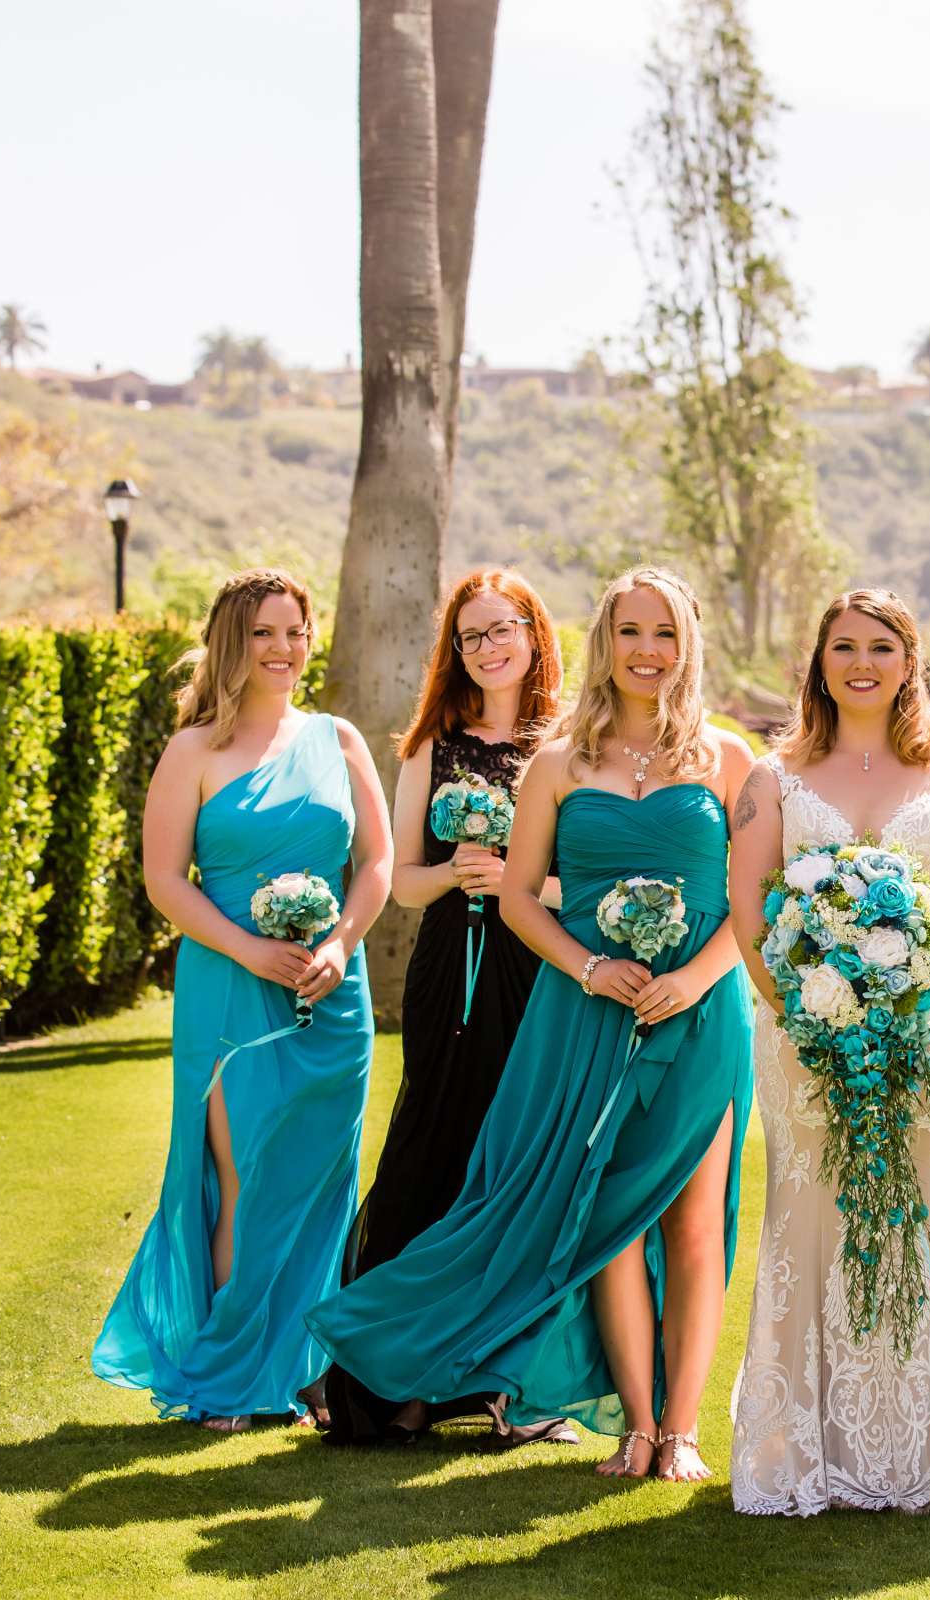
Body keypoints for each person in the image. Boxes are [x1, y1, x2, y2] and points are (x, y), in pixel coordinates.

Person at [306, 566, 754, 1483]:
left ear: (689, 644)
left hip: (701, 1018)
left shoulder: (730, 759)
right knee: (609, 1219)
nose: (647, 651)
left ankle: (685, 1429)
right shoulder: (559, 763)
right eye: (629, 631)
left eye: (664, 633)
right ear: (602, 641)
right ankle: (634, 1425)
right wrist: (591, 966)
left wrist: (698, 979)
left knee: (695, 1226)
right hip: (584, 1016)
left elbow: (756, 903)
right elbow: (518, 901)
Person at [726, 588, 930, 1515]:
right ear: (818, 661)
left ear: (909, 661)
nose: (861, 663)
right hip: (805, 1039)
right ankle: (802, 1449)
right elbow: (751, 912)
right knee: (806, 1211)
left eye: (880, 647)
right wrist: (806, 1012)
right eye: (843, 647)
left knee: (928, 1211)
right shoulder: (770, 777)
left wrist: (918, 1013)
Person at [95, 567, 390, 1431]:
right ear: (232, 642)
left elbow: (373, 865)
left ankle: (300, 1371)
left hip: (333, 995)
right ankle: (228, 1373)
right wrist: (252, 950)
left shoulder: (339, 740)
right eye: (264, 632)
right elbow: (162, 880)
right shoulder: (192, 751)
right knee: (243, 1173)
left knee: (319, 1182)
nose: (284, 648)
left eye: (295, 631)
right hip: (231, 986)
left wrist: (337, 945)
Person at [320, 568, 576, 1448]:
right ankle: (388, 1382)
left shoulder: (571, 745)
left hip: (538, 965)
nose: (489, 646)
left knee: (521, 1160)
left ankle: (507, 1386)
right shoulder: (433, 744)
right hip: (451, 972)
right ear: (454, 650)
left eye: (504, 628)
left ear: (535, 634)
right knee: (435, 1148)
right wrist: (458, 873)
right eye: (472, 636)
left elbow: (575, 879)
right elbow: (401, 882)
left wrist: (523, 882)